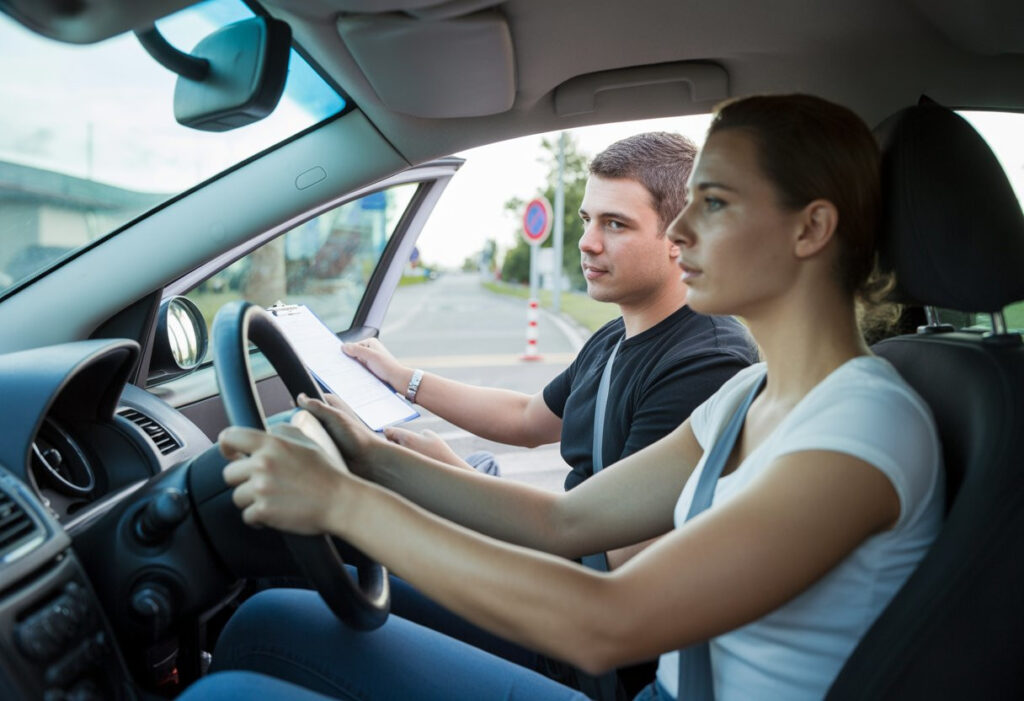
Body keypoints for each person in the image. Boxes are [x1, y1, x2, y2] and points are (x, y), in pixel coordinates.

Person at [186, 94, 944, 701]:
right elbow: (566, 517)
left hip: (622, 668)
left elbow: (608, 621)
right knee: (268, 617)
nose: (677, 230)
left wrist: (343, 504)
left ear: (811, 228)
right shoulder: (753, 393)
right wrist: (371, 459)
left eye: (712, 202)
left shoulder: (862, 428)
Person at [344, 131, 756, 509]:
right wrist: (401, 379)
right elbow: (525, 419)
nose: (586, 242)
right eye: (586, 219)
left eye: (614, 224)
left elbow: (616, 561)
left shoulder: (706, 365)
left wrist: (451, 476)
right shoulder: (615, 336)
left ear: (681, 238)